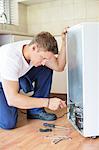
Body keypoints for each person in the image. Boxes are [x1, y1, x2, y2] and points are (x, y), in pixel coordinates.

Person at [0, 28, 67, 130]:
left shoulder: (37, 48)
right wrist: (47, 102)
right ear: (34, 48)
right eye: (43, 58)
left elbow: (59, 66)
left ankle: (35, 110)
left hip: (16, 77)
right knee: (8, 123)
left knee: (46, 68)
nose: (44, 61)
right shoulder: (10, 59)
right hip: (2, 83)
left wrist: (65, 42)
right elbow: (12, 100)